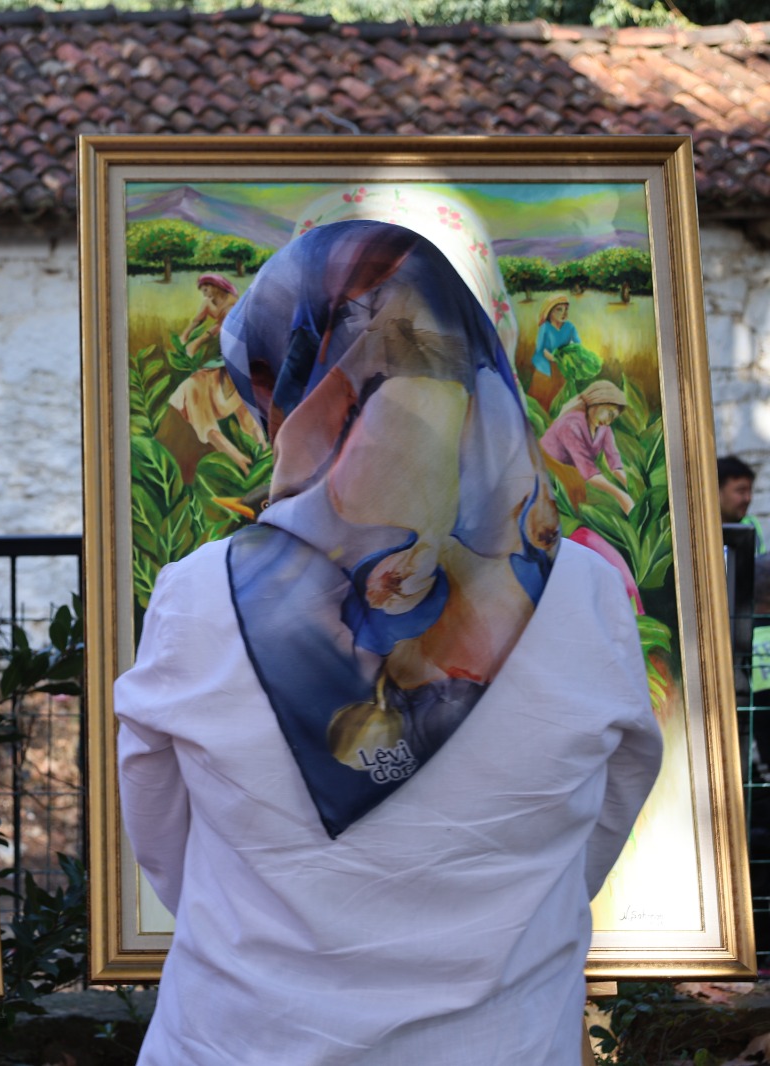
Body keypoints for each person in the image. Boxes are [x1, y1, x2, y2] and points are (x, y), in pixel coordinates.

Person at [117, 221, 662, 1065]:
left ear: (294, 389)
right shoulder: (587, 594)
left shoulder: (197, 596)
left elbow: (165, 846)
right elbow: (602, 824)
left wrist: (296, 932)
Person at [539, 380, 633, 513]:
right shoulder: (570, 424)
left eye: (613, 418)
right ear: (597, 402)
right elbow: (587, 469)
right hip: (548, 469)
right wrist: (621, 496)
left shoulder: (604, 428)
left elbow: (614, 460)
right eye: (609, 414)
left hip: (572, 473)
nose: (609, 421)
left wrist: (629, 488)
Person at [177, 272, 238, 359]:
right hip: (220, 324)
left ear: (215, 287)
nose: (204, 294)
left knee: (222, 321)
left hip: (231, 329)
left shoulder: (231, 299)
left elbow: (221, 319)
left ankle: (196, 343)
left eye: (205, 290)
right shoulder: (211, 300)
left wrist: (198, 342)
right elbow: (206, 317)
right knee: (206, 304)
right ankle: (185, 335)